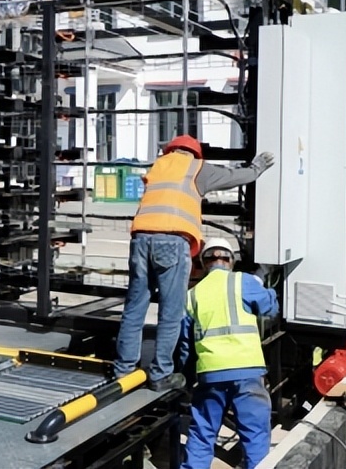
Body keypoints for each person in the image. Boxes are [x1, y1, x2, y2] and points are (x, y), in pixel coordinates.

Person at [114, 135, 275, 392]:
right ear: (195, 152)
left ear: (171, 150)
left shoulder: (159, 166)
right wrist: (256, 169)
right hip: (172, 242)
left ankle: (124, 370)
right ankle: (160, 374)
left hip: (140, 240)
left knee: (135, 308)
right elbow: (233, 176)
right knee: (171, 312)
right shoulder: (197, 167)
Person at [179, 238, 279, 469]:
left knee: (202, 433)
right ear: (231, 261)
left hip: (210, 375)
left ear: (204, 263)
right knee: (255, 435)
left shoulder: (192, 295)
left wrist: (188, 380)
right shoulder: (243, 281)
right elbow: (270, 308)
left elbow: (186, 345)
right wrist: (267, 288)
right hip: (247, 371)